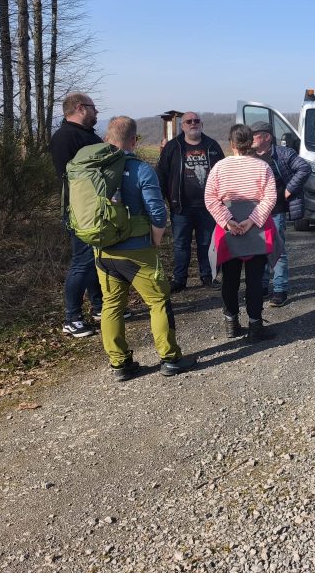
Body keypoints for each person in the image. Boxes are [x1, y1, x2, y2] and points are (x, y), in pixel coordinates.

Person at [94, 117, 195, 380]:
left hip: (102, 250)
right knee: (158, 300)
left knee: (111, 305)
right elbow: (158, 213)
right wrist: (155, 241)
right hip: (137, 251)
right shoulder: (141, 170)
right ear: (134, 141)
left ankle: (120, 365)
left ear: (107, 139)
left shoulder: (93, 168)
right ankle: (170, 359)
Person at [204, 124, 278, 341]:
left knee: (230, 279)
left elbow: (210, 198)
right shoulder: (263, 167)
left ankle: (231, 324)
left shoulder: (219, 167)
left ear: (231, 144)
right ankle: (255, 326)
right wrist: (252, 221)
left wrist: (228, 221)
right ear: (251, 142)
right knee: (255, 279)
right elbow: (270, 198)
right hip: (257, 228)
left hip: (228, 228)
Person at [49, 92, 103, 338]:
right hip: (80, 211)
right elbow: (71, 177)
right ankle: (72, 318)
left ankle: (99, 306)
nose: (96, 112)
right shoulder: (65, 137)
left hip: (95, 209)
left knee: (94, 259)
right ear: (80, 108)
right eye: (93, 107)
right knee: (82, 261)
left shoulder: (87, 135)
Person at [156, 111, 225, 293]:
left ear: (201, 124)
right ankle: (179, 280)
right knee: (180, 245)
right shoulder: (173, 147)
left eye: (196, 121)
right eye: (188, 121)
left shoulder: (212, 146)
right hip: (181, 207)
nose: (193, 123)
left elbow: (223, 173)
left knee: (206, 243)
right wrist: (161, 199)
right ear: (182, 126)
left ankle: (208, 276)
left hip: (208, 206)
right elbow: (161, 174)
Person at [250, 120, 312, 307]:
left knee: (277, 250)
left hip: (276, 210)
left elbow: (304, 168)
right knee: (258, 250)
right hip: (255, 211)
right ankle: (261, 287)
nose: (250, 139)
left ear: (267, 137)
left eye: (254, 135)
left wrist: (290, 189)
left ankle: (279, 290)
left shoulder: (284, 153)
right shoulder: (248, 156)